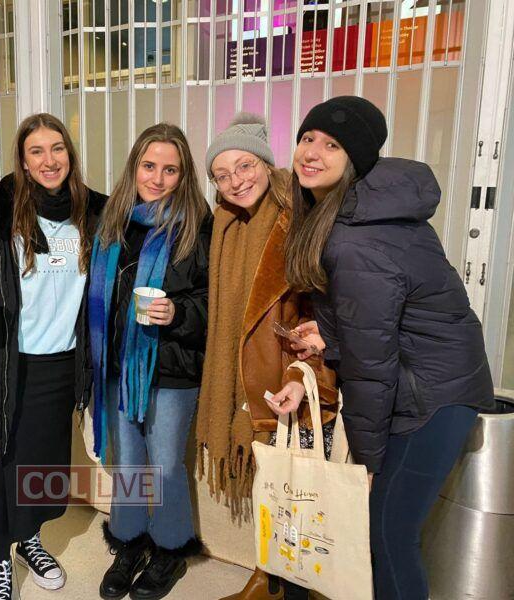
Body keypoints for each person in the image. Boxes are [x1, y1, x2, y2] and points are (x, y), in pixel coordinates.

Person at [283, 96, 495, 600]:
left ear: (355, 160)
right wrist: (330, 335)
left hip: (432, 395)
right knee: (386, 531)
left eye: (331, 146)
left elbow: (371, 364)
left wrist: (369, 461)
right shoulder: (356, 213)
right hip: (424, 377)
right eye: (308, 138)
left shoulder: (357, 240)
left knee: (388, 534)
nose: (312, 152)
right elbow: (384, 322)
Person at [0, 113, 106, 600]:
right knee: (4, 466)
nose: (48, 160)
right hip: (8, 364)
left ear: (70, 154)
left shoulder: (94, 213)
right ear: (22, 159)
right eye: (36, 151)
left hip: (63, 365)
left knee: (44, 466)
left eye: (57, 149)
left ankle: (30, 541)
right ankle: (1, 560)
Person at [195, 114, 338, 600]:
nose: (236, 181)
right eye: (222, 174)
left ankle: (289, 583)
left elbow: (323, 305)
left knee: (298, 486)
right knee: (272, 485)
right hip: (249, 375)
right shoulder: (225, 224)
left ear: (265, 162)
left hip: (294, 372)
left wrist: (307, 371)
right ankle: (270, 576)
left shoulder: (299, 215)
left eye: (245, 166)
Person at [89, 123, 211, 600]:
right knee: (128, 465)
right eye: (149, 166)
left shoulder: (198, 226)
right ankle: (130, 543)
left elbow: (216, 302)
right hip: (119, 367)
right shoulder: (113, 222)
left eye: (170, 170)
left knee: (163, 467)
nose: (157, 179)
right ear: (134, 167)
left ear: (184, 175)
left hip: (172, 369)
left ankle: (170, 550)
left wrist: (177, 312)